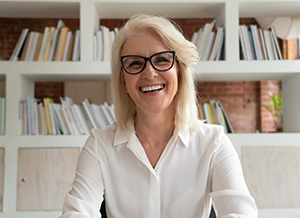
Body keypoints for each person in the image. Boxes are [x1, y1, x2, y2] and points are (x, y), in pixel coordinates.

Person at [60, 14, 258, 218]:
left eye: (161, 60)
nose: (149, 73)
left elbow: (241, 214)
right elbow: (76, 213)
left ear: (179, 74)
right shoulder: (99, 146)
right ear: (123, 82)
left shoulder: (213, 143)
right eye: (135, 63)